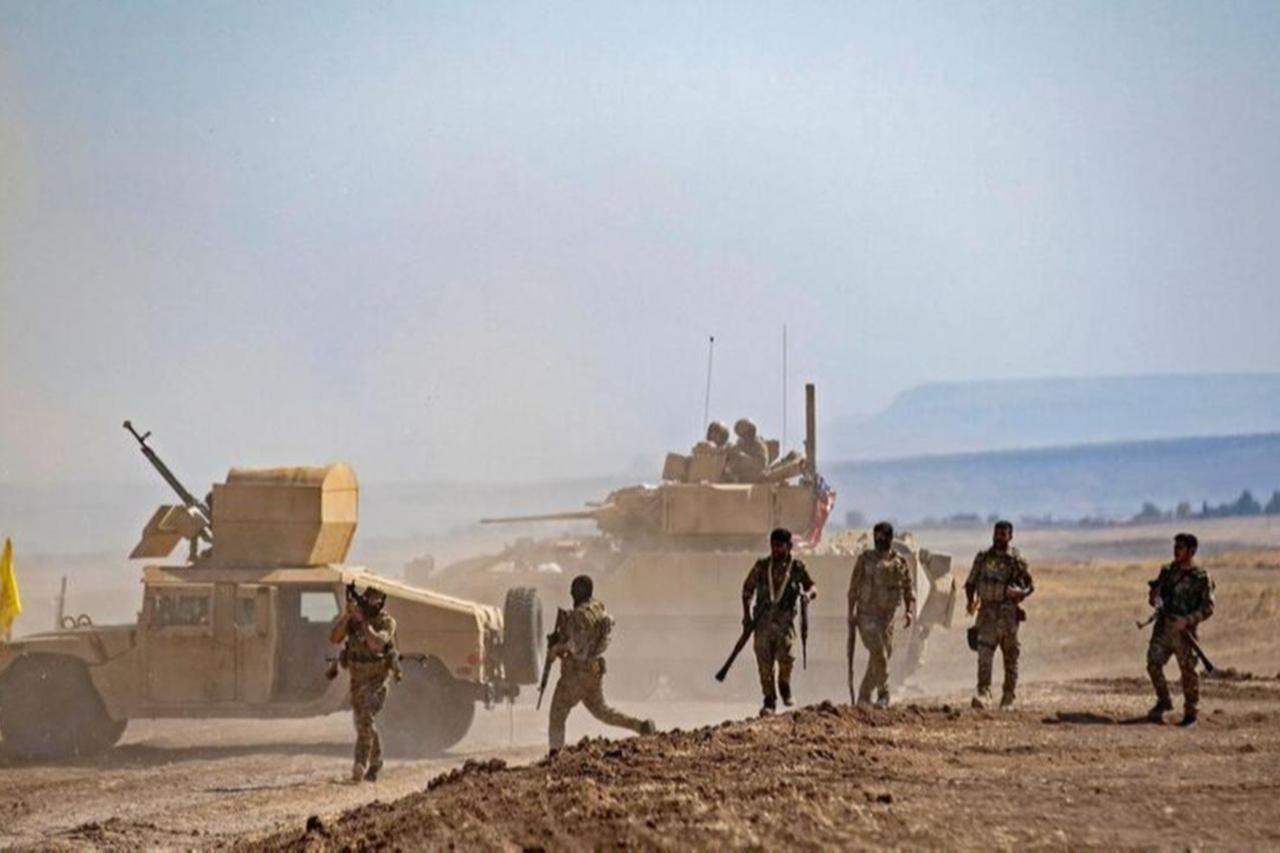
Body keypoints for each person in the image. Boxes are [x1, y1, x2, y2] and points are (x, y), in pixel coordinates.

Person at [548, 574, 656, 751]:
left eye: (573, 591)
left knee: (557, 715)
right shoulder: (597, 607)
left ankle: (555, 753)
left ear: (578, 592)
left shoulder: (579, 615)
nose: (570, 593)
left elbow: (575, 648)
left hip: (576, 675)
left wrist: (556, 649)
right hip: (594, 672)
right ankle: (641, 726)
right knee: (604, 712)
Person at [741, 527, 817, 715]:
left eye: (780, 546)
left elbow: (812, 587)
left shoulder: (797, 567)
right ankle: (769, 700)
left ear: (789, 546)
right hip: (763, 623)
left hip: (785, 624)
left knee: (787, 659)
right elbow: (747, 591)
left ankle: (784, 685)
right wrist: (747, 615)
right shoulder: (762, 566)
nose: (776, 550)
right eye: (773, 546)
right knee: (764, 664)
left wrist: (808, 596)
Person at [329, 586, 398, 783]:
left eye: (375, 601)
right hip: (357, 680)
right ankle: (376, 762)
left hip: (378, 680)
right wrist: (348, 617)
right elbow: (334, 638)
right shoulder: (353, 620)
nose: (371, 604)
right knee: (363, 724)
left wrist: (365, 622)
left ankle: (360, 764)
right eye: (369, 600)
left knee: (366, 718)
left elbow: (376, 644)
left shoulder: (386, 622)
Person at [1145, 533, 1214, 727]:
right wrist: (1154, 598)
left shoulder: (1201, 577)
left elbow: (1208, 608)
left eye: (1181, 547)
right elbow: (1155, 600)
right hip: (1164, 629)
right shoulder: (1167, 572)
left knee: (1188, 673)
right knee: (1153, 663)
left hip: (1185, 634)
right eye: (1175, 546)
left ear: (1191, 551)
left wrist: (1187, 620)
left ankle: (1191, 713)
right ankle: (1164, 702)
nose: (1176, 550)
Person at [964, 520, 1033, 709]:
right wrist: (970, 602)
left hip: (1008, 615)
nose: (998, 538)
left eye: (1003, 534)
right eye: (997, 534)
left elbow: (1029, 585)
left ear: (1010, 537)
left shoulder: (1016, 561)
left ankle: (1008, 697)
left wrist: (1020, 593)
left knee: (1010, 657)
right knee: (984, 656)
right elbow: (970, 583)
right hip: (987, 613)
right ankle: (983, 693)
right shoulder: (983, 559)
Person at [848, 521, 915, 706]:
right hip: (866, 615)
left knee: (884, 654)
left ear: (890, 538)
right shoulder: (865, 559)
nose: (879, 540)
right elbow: (853, 588)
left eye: (883, 537)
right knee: (879, 653)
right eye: (876, 536)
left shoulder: (899, 562)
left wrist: (909, 611)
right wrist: (850, 612)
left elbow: (908, 587)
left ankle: (864, 694)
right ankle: (884, 694)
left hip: (887, 618)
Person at [726, 418, 769, 483]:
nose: (744, 437)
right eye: (741, 435)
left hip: (755, 480)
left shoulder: (758, 445)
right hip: (739, 479)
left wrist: (742, 456)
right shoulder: (740, 444)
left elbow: (761, 465)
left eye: (746, 433)